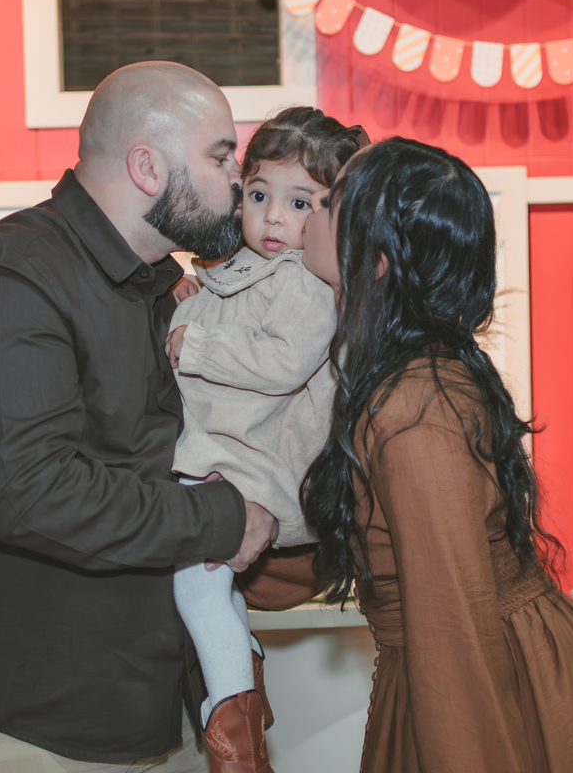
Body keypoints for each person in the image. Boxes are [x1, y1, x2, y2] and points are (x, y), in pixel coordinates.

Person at [0, 61, 280, 771]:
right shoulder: (10, 277)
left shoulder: (159, 293)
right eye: (221, 155)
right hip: (21, 725)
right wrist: (227, 519)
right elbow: (33, 493)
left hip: (123, 716)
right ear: (146, 166)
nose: (236, 180)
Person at [239, 138, 573, 772]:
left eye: (330, 202)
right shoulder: (401, 378)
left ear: (373, 260)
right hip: (487, 670)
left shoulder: (412, 411)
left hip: (496, 695)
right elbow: (361, 546)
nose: (309, 213)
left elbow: (452, 627)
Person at [164, 107, 366, 771]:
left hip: (256, 473)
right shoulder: (241, 272)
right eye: (259, 196)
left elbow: (279, 365)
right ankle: (239, 693)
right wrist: (193, 298)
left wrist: (193, 339)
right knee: (198, 591)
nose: (274, 218)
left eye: (301, 202)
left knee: (197, 584)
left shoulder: (309, 286)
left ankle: (236, 743)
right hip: (222, 461)